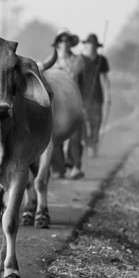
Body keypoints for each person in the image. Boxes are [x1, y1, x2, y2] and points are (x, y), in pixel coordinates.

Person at [42, 28, 86, 180]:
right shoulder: (49, 62)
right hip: (59, 102)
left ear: (71, 43)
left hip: (75, 101)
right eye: (61, 40)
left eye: (67, 39)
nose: (64, 42)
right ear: (57, 43)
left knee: (75, 136)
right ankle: (59, 168)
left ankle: (75, 167)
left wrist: (84, 104)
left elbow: (83, 83)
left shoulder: (78, 61)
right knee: (55, 136)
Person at [80, 33, 111, 157]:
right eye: (89, 44)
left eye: (93, 45)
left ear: (97, 47)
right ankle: (86, 143)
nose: (91, 47)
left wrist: (108, 96)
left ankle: (93, 145)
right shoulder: (80, 60)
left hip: (97, 97)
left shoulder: (101, 60)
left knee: (96, 123)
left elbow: (105, 78)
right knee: (81, 123)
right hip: (82, 97)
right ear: (86, 45)